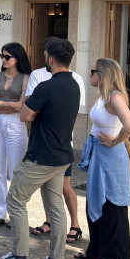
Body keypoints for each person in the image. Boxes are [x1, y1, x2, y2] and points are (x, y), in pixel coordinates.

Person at [0, 38, 81, 259]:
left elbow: (24, 115)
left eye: (45, 56)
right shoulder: (74, 84)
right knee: (57, 207)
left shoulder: (46, 86)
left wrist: (34, 110)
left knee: (15, 200)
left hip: (41, 157)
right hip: (62, 156)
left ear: (50, 59)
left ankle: (19, 255)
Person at [74, 58, 130, 259]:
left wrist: (116, 141)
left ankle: (113, 257)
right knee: (95, 200)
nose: (90, 75)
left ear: (103, 74)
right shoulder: (103, 96)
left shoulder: (115, 97)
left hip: (111, 158)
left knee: (112, 204)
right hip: (99, 155)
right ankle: (97, 251)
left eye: (93, 71)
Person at [28, 39, 87, 243]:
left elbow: (35, 112)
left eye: (45, 53)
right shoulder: (37, 75)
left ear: (50, 57)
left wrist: (44, 109)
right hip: (44, 143)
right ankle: (49, 221)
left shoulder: (76, 79)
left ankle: (75, 224)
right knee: (48, 187)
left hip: (62, 144)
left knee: (65, 187)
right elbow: (32, 109)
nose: (44, 57)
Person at [0, 43, 31, 228]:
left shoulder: (26, 78)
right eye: (2, 56)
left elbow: (22, 105)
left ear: (17, 58)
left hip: (15, 124)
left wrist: (1, 103)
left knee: (15, 171)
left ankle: (15, 213)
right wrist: (7, 104)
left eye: (7, 57)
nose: (3, 60)